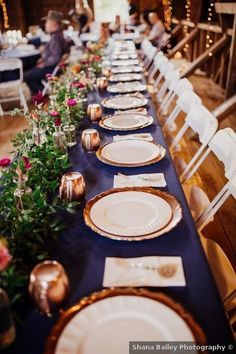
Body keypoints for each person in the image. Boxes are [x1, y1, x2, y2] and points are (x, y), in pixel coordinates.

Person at [24, 10, 69, 94]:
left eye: (47, 22)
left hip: (52, 68)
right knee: (30, 72)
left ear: (54, 23)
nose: (45, 25)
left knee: (26, 76)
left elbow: (55, 58)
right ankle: (42, 92)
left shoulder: (56, 38)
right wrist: (43, 58)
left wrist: (44, 64)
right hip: (52, 66)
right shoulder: (57, 35)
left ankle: (41, 94)